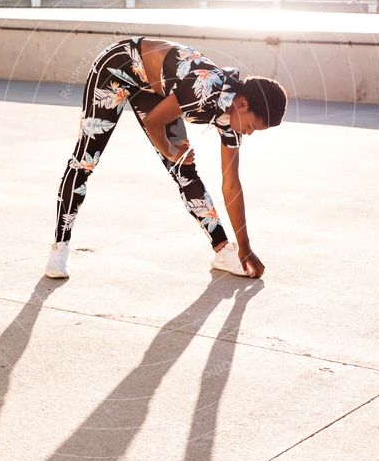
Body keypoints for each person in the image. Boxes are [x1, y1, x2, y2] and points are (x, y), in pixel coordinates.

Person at [45, 35, 287, 280]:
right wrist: (169, 151)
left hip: (156, 88)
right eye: (252, 127)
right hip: (117, 68)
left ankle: (224, 251)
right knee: (87, 158)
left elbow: (232, 184)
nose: (248, 133)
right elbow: (153, 122)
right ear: (244, 104)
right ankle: (59, 248)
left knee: (185, 169)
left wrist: (244, 245)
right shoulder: (203, 90)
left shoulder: (232, 117)